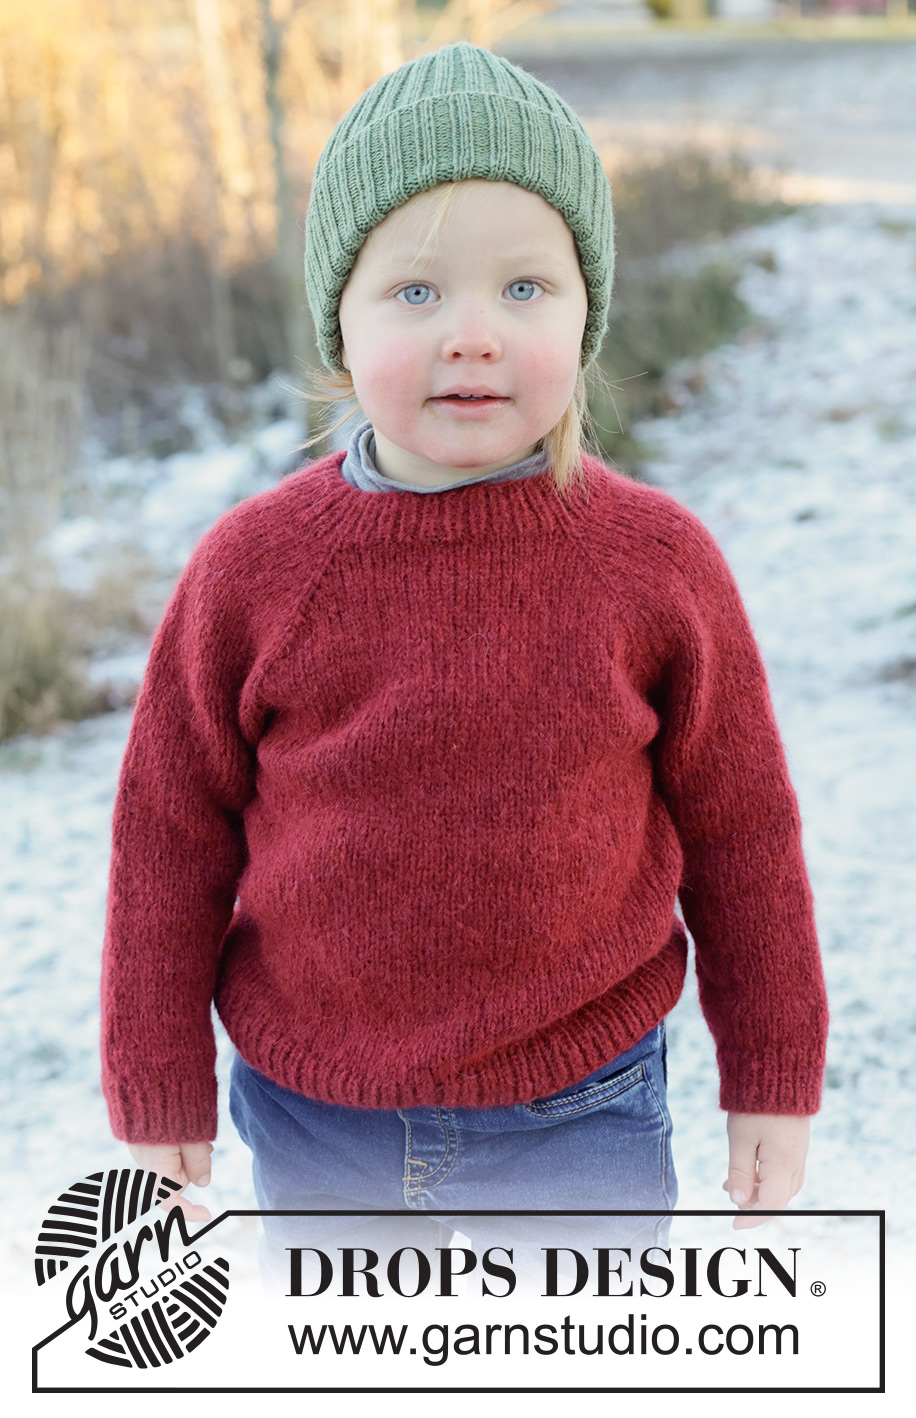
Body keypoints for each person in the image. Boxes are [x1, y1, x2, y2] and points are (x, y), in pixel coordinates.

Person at [102, 42, 828, 1285]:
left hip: (578, 1114)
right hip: (316, 1115)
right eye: (417, 293)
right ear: (341, 318)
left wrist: (773, 1072)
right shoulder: (253, 569)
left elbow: (743, 829)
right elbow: (169, 832)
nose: (475, 336)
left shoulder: (652, 562)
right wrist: (155, 1071)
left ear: (588, 311)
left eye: (527, 288)